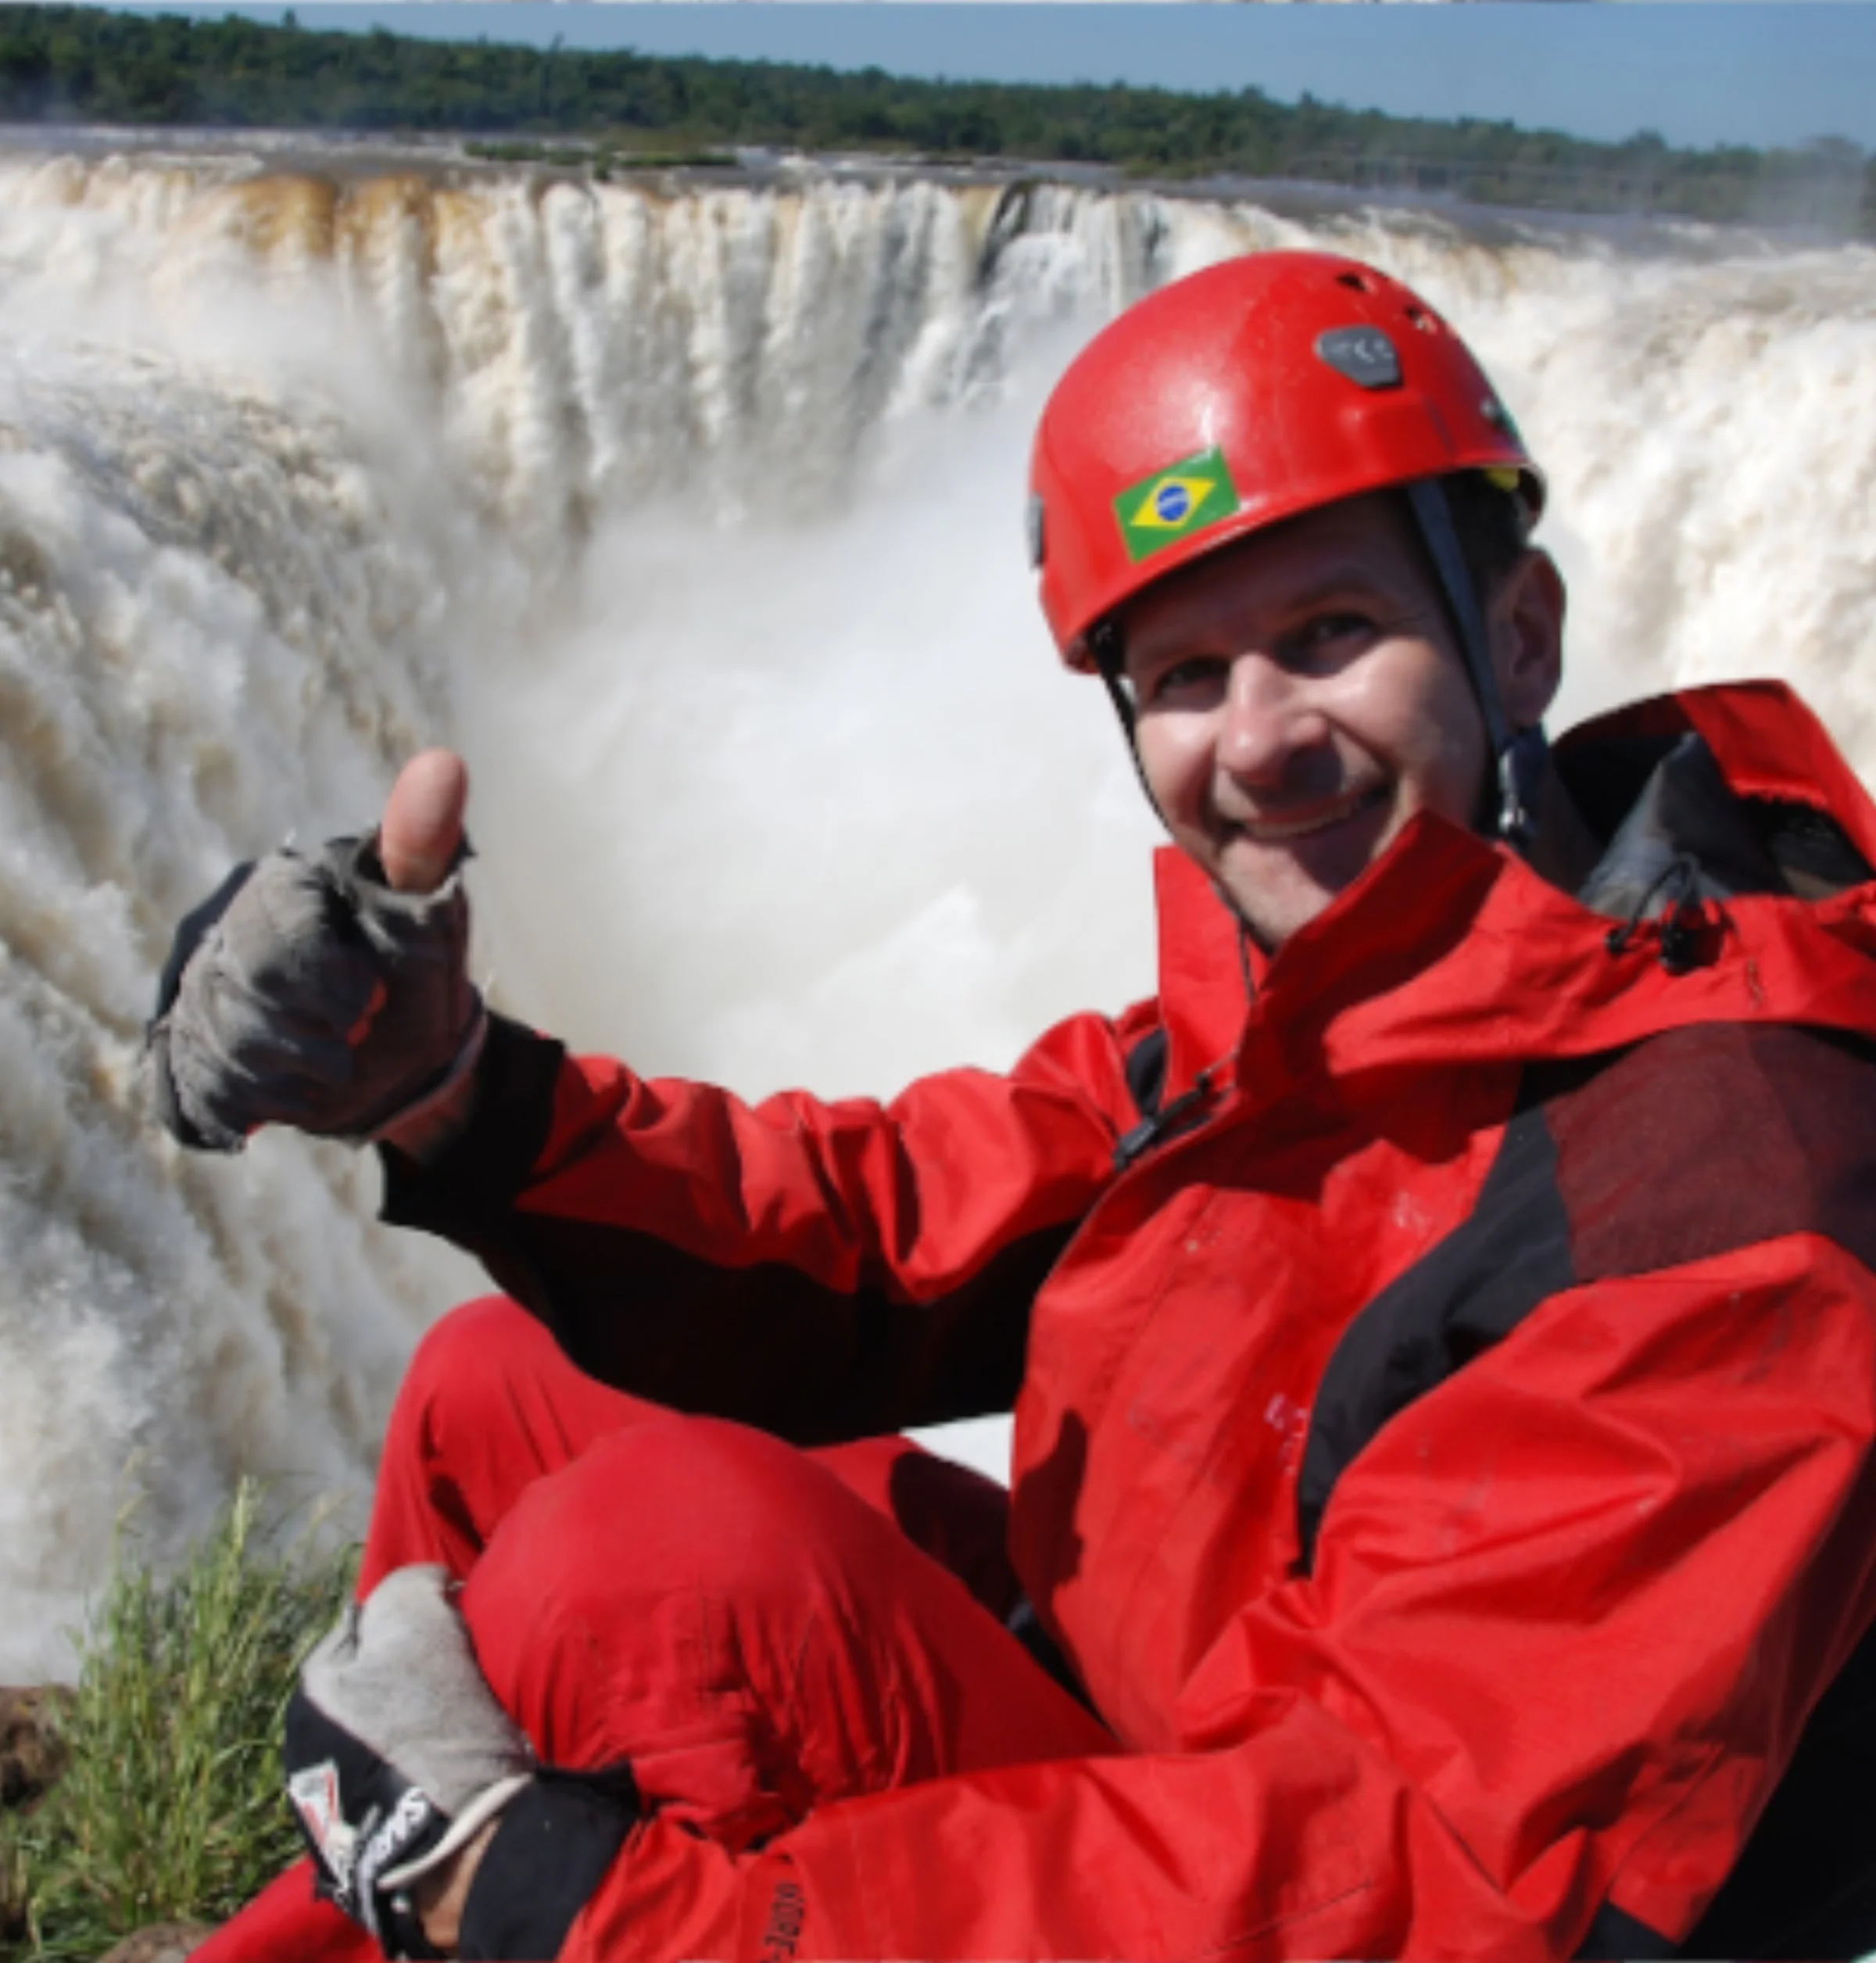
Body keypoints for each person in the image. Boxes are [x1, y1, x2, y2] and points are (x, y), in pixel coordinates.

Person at [160, 249, 1876, 1961]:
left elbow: (1423, 1865)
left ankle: (439, 1884)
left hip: (1332, 1886)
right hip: (1179, 1740)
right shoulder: (1324, 1013)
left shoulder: (1727, 1190)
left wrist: (585, 1904)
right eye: (1187, 677)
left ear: (1520, 634)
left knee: (646, 1565)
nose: (1258, 740)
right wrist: (458, 1092)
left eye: (1328, 634)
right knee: (494, 1388)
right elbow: (890, 1223)